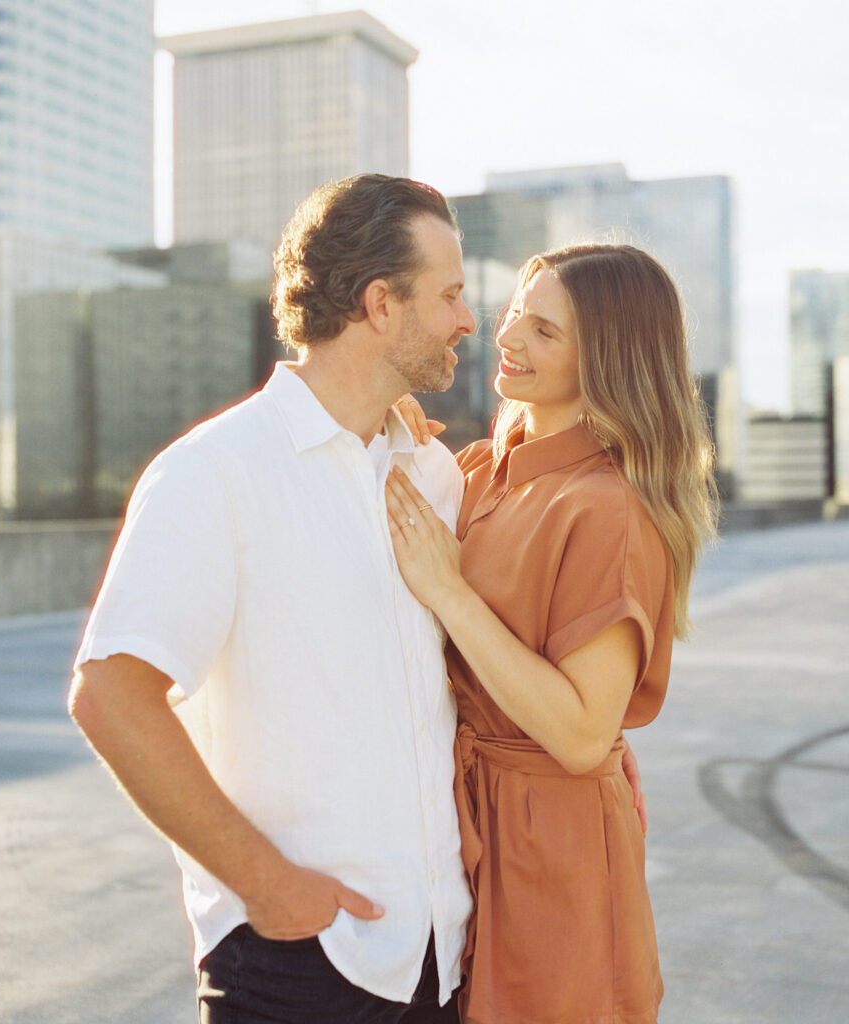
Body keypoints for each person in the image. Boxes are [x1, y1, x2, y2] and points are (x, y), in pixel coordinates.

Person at [68, 174, 480, 1023]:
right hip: (297, 963)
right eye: (449, 296)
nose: (466, 320)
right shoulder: (216, 471)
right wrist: (271, 889)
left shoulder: (434, 474)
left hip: (438, 960)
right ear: (379, 303)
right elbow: (110, 694)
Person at [384, 243, 718, 1024]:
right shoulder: (474, 470)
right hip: (461, 833)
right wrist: (385, 427)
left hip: (551, 851)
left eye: (544, 331)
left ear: (606, 359)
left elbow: (577, 732)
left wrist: (451, 592)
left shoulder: (607, 508)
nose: (507, 339)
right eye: (512, 315)